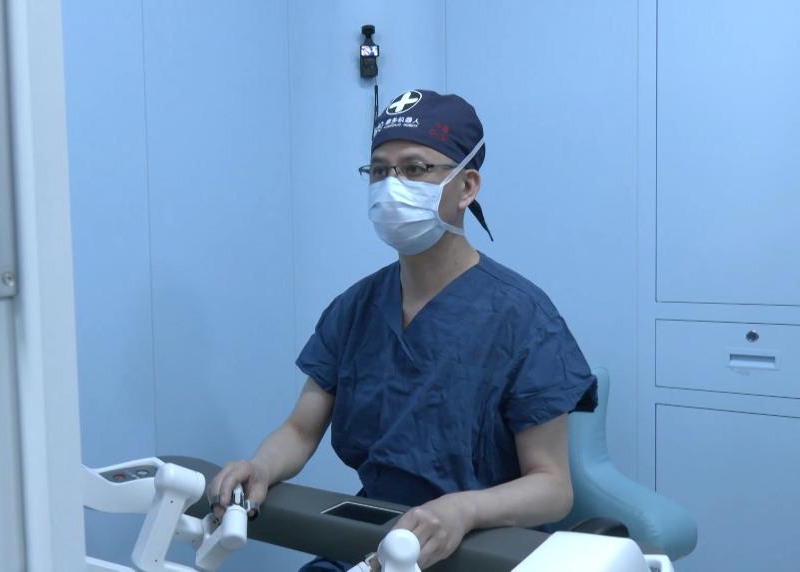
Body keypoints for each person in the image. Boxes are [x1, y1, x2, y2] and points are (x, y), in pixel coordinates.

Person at [207, 89, 597, 571]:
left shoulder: (523, 318)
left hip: (483, 549)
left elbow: (553, 488)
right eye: (379, 171)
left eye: (414, 169)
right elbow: (299, 429)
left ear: (466, 186)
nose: (392, 186)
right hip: (378, 541)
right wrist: (260, 466)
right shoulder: (355, 309)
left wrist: (465, 510)